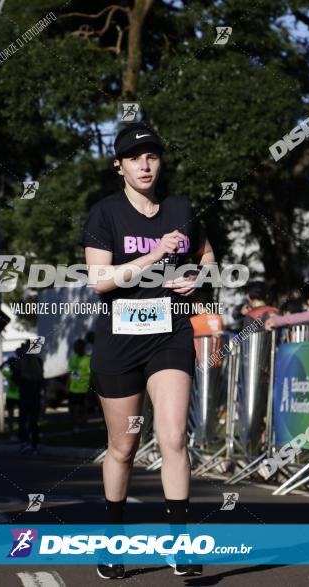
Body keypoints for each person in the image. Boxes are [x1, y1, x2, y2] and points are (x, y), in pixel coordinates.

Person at [81, 122, 214, 578]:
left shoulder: (180, 209)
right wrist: (154, 257)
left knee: (174, 436)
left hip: (169, 335)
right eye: (135, 157)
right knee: (123, 447)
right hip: (119, 343)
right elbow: (99, 282)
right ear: (118, 166)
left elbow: (208, 257)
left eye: (152, 156)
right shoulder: (105, 214)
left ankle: (181, 543)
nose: (145, 163)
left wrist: (197, 278)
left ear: (160, 162)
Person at [14, 340, 45, 455]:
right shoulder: (21, 361)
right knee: (24, 421)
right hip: (25, 394)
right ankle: (25, 442)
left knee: (33, 421)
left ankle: (34, 444)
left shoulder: (37, 361)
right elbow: (16, 378)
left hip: (33, 394)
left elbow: (41, 379)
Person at [66, 339, 91, 433]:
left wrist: (90, 388)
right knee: (72, 408)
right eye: (75, 348)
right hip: (73, 388)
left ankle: (82, 424)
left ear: (82, 348)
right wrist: (67, 386)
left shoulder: (88, 359)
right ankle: (75, 425)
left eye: (78, 348)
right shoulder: (73, 357)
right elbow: (70, 373)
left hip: (84, 389)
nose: (76, 350)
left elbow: (92, 375)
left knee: (82, 408)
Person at [0, 357, 21, 440]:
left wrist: (5, 362)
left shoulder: (8, 373)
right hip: (19, 396)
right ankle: (21, 432)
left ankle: (11, 434)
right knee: (22, 416)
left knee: (10, 417)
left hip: (10, 397)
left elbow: (0, 368)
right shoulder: (19, 373)